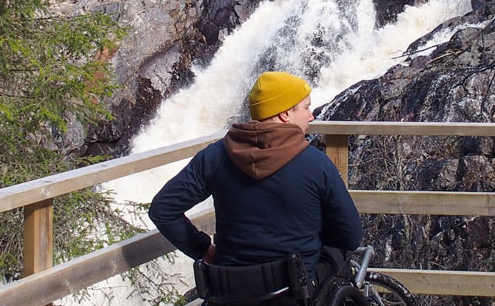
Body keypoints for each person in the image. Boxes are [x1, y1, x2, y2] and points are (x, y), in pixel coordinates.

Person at [148, 70, 362, 284]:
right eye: (306, 107)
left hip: (230, 293)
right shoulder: (317, 164)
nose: (311, 116)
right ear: (285, 114)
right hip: (297, 295)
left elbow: (163, 209)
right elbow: (351, 237)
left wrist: (202, 248)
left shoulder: (214, 157)